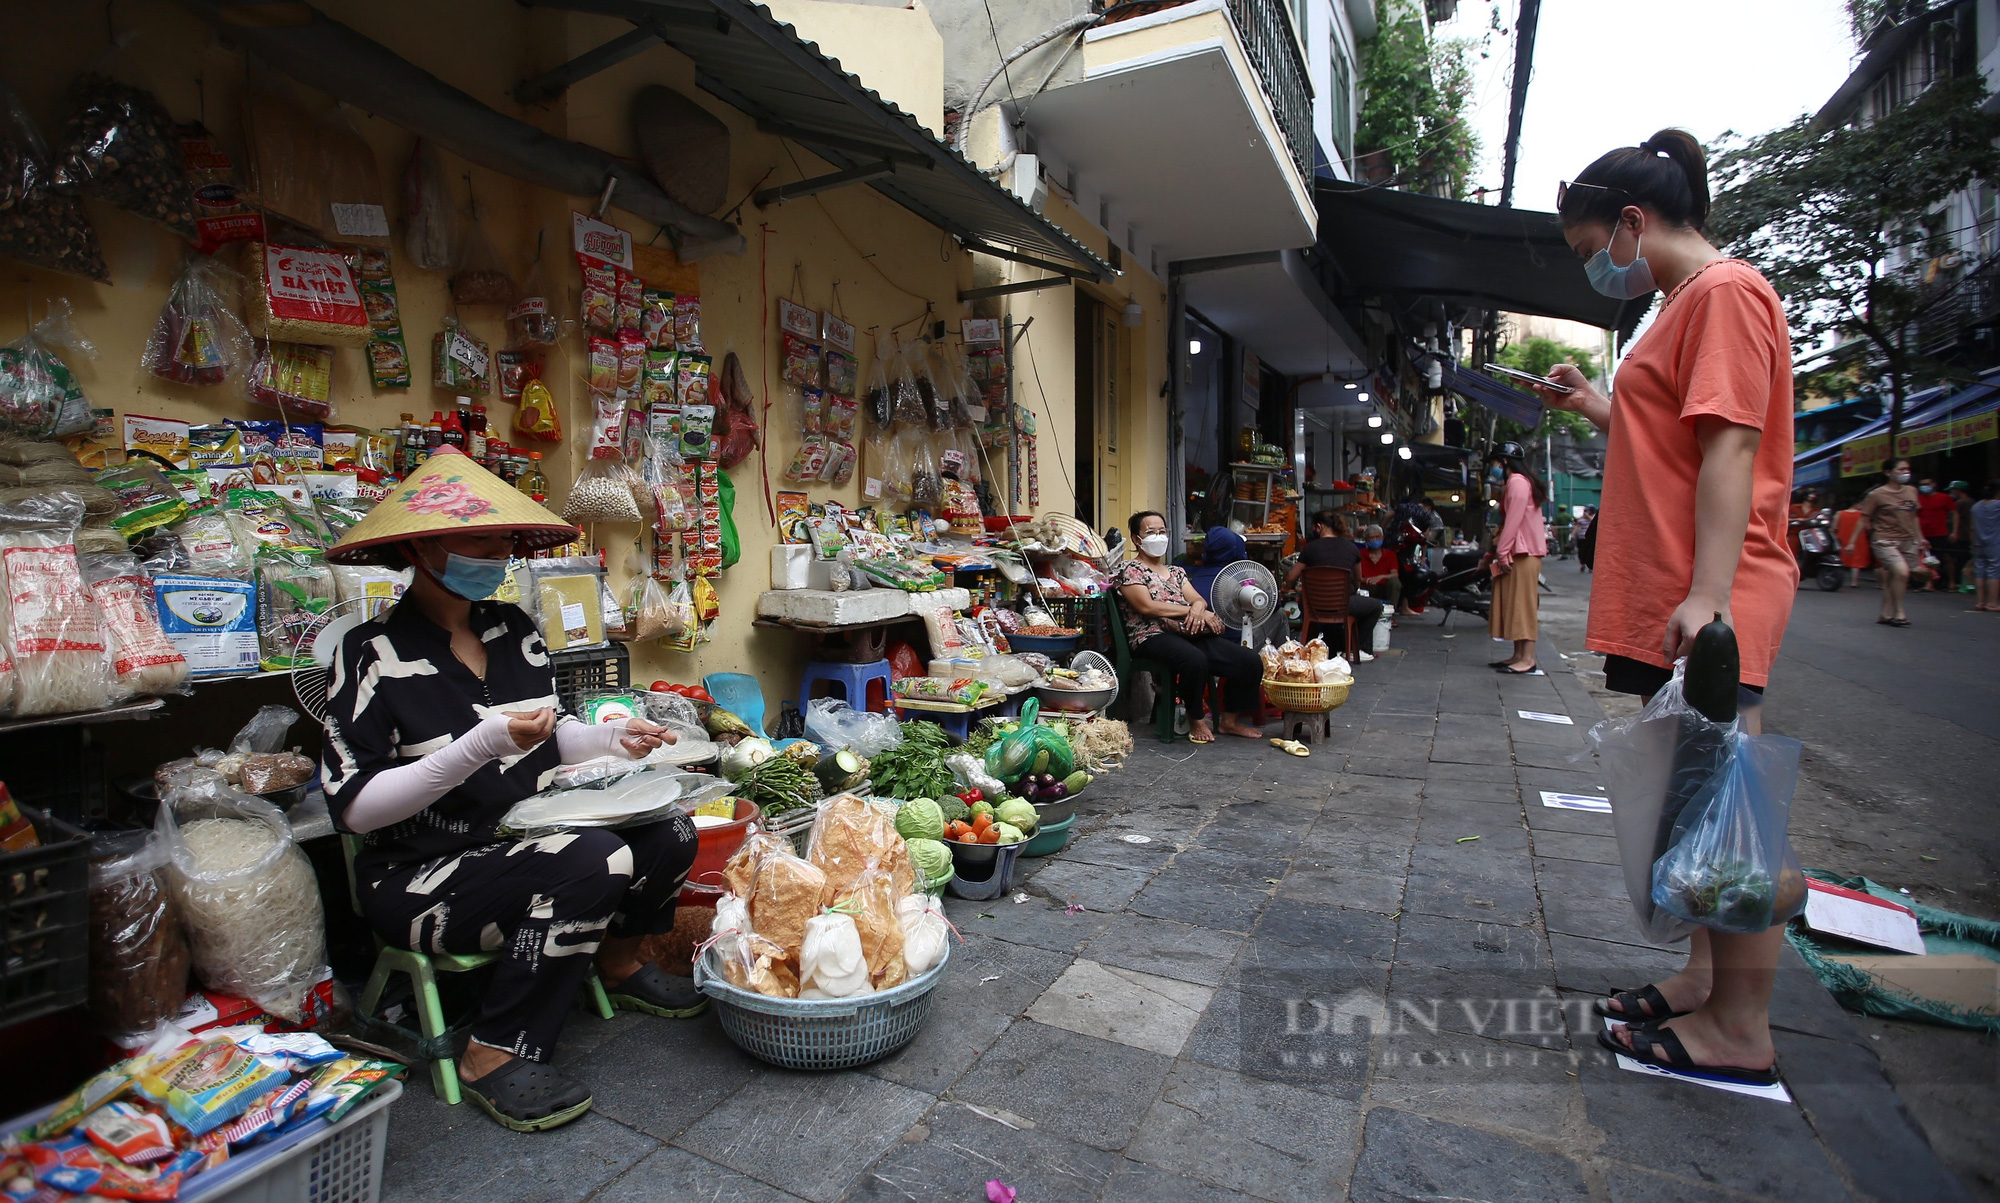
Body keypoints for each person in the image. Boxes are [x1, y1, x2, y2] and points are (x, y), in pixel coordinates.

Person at [320, 448, 700, 1132]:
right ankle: (492, 1052)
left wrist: (616, 739)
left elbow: (545, 737)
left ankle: (618, 963)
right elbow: (354, 807)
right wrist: (478, 747)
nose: (496, 553)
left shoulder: (515, 630)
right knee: (596, 859)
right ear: (421, 546)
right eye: (478, 539)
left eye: (503, 540)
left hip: (524, 834)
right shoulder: (369, 654)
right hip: (419, 873)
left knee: (670, 829)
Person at [1536, 129, 1798, 1084]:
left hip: (1713, 591)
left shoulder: (1724, 294)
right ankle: (1704, 981)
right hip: (1686, 588)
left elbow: (1731, 449)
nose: (1596, 270)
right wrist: (1599, 405)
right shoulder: (1687, 302)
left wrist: (1709, 596)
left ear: (1633, 224)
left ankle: (1743, 1025)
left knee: (1732, 811)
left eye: (1591, 248)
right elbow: (1673, 436)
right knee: (1700, 801)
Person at [1113, 511, 1265, 743]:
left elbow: (1198, 599)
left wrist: (1197, 608)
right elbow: (1147, 607)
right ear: (1136, 539)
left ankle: (1230, 721)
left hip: (1187, 632)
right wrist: (1191, 610)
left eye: (1162, 531)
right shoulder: (1130, 570)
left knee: (1249, 661)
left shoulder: (1176, 572)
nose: (1158, 537)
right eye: (1150, 532)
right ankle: (1196, 718)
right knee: (1194, 659)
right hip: (1151, 636)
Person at [1483, 443, 1549, 674]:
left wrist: (1501, 552)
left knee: (1523, 605)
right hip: (1520, 551)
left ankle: (1527, 658)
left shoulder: (1517, 483)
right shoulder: (1520, 482)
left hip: (1522, 553)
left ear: (1504, 461)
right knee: (1516, 604)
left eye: (1494, 463)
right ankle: (1519, 655)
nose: (1493, 468)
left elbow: (1513, 520)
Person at [1287, 510, 1385, 660]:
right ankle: (1355, 649)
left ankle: (1316, 647)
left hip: (1313, 605)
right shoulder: (1351, 548)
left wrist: (1288, 587)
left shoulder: (1310, 548)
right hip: (1344, 604)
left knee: (1303, 604)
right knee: (1376, 607)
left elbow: (1291, 577)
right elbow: (1358, 579)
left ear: (1319, 527)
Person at [1857, 459, 1926, 626]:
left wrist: (1920, 538)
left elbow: (1914, 516)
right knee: (1901, 572)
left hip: (1908, 540)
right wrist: (1854, 542)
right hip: (1884, 540)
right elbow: (1864, 518)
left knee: (1894, 577)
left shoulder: (1912, 491)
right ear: (1888, 472)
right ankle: (1899, 613)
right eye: (1901, 469)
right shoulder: (1876, 495)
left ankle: (1884, 613)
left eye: (1907, 469)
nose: (1905, 473)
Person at [1915, 476, 1956, 591]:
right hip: (1923, 534)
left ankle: (1951, 582)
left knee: (1945, 557)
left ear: (1934, 484)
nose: (1924, 486)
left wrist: (1954, 531)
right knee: (1926, 558)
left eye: (1927, 484)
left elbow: (1954, 513)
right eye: (1922, 484)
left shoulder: (1944, 498)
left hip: (1940, 532)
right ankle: (1929, 583)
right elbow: (1914, 516)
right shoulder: (1918, 499)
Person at [1357, 524, 1402, 614]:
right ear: (1366, 539)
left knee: (1395, 582)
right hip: (1366, 588)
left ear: (1382, 537)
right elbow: (1357, 576)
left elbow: (1395, 574)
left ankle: (1390, 614)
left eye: (1377, 537)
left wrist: (1380, 577)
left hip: (1384, 588)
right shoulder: (1360, 554)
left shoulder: (1390, 554)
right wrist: (1365, 580)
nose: (1375, 540)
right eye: (1371, 537)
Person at [1972, 481, 2000, 612]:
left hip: (1979, 542)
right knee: (1994, 571)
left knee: (1980, 571)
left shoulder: (1976, 506)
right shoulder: (1997, 505)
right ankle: (1992, 603)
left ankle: (1980, 602)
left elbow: (1972, 528)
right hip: (1995, 542)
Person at [1943, 480, 1975, 593]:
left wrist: (1953, 531)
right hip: (1966, 535)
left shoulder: (1960, 503)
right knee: (1964, 559)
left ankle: (1955, 582)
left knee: (1952, 558)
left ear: (1958, 490)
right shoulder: (1971, 502)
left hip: (1960, 535)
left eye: (1953, 490)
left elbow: (1953, 518)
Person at [1576, 504, 1598, 572]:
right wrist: (1573, 535)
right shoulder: (1581, 519)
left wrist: (1587, 516)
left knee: (1589, 551)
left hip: (1589, 538)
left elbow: (1594, 522)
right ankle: (1582, 564)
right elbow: (1577, 526)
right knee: (1581, 552)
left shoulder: (1593, 517)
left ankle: (1589, 566)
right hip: (1581, 537)